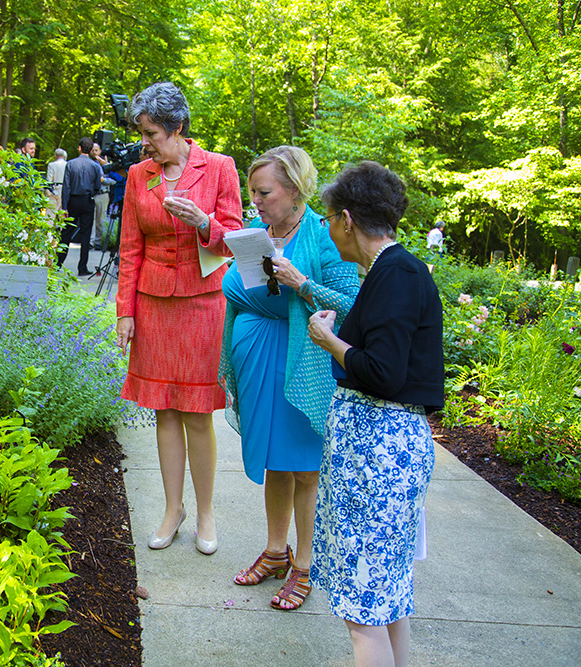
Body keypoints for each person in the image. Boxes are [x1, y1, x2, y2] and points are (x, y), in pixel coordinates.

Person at [307, 161, 443, 667]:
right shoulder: (394, 271)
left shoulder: (396, 274)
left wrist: (330, 341)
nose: (327, 230)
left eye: (328, 220)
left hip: (377, 453)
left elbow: (382, 373)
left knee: (365, 613)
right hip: (381, 449)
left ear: (346, 219)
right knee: (385, 601)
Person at [220, 146, 360, 610]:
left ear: (295, 190)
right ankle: (276, 552)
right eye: (252, 191)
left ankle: (304, 564)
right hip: (258, 361)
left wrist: (301, 283)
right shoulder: (254, 235)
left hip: (303, 366)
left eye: (263, 191)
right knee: (274, 462)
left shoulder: (322, 236)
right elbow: (239, 290)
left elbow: (351, 300)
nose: (254, 199)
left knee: (304, 468)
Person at [115, 81, 242, 556]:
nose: (144, 141)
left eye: (151, 133)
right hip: (152, 303)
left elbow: (234, 238)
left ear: (178, 128)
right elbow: (130, 246)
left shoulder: (221, 168)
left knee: (195, 413)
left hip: (202, 303)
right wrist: (125, 311)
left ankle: (205, 512)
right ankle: (174, 508)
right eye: (142, 133)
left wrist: (203, 223)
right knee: (163, 411)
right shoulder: (137, 175)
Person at [59, 137, 102, 274]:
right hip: (87, 201)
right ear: (90, 150)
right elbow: (98, 186)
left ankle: (58, 263)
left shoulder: (70, 164)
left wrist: (64, 207)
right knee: (85, 234)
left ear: (79, 148)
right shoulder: (95, 166)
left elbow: (66, 187)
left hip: (72, 200)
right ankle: (82, 267)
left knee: (66, 233)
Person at [91, 142, 110, 249]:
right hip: (91, 195)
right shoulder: (88, 163)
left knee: (100, 221)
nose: (94, 152)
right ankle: (90, 241)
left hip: (102, 195)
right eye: (92, 150)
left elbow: (114, 180)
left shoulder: (105, 164)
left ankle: (98, 242)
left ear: (100, 151)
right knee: (91, 220)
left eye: (96, 150)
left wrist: (103, 180)